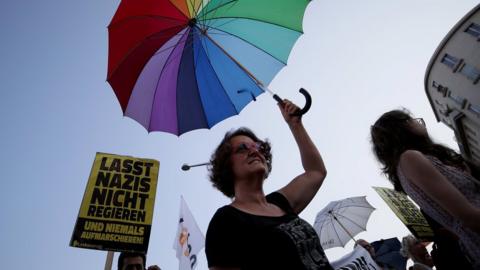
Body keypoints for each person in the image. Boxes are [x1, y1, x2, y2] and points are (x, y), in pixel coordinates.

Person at [205, 100, 332, 269]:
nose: (254, 150)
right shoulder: (225, 221)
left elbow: (316, 172)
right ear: (226, 165)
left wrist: (295, 124)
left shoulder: (280, 202)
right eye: (243, 148)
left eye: (258, 146)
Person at [370, 109, 480, 268]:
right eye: (413, 119)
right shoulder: (409, 158)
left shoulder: (420, 159)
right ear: (402, 127)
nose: (419, 122)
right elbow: (469, 216)